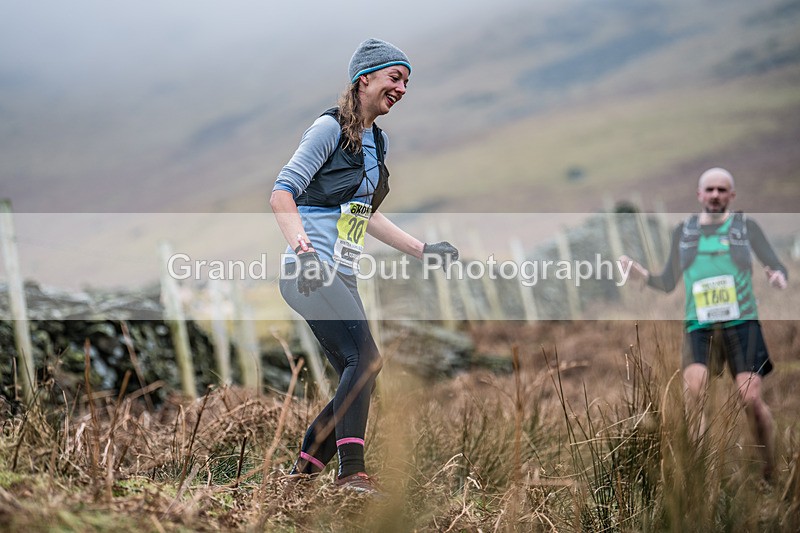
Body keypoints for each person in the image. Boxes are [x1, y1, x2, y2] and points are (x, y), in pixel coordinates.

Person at [269, 38, 458, 493]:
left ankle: (300, 477)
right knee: (367, 360)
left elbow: (365, 214)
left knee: (361, 373)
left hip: (342, 274)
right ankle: (351, 472)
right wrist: (305, 253)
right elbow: (281, 194)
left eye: (407, 82)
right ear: (364, 80)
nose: (403, 88)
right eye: (395, 78)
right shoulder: (328, 129)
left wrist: (423, 250)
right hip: (310, 272)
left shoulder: (377, 140)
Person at [620, 167, 788, 482]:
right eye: (709, 189)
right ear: (699, 194)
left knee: (749, 398)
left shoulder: (745, 228)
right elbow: (668, 281)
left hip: (742, 325)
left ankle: (770, 470)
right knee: (693, 395)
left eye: (722, 190)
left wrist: (778, 276)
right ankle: (698, 475)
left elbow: (776, 265)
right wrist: (641, 275)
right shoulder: (683, 233)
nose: (715, 195)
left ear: (732, 195)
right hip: (699, 328)